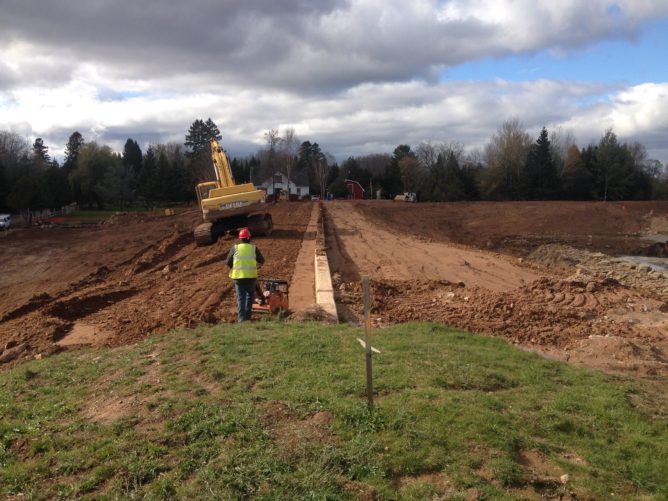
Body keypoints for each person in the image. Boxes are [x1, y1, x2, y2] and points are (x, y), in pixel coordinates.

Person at [226, 227, 265, 322]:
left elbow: (228, 262)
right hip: (251, 277)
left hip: (238, 278)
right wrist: (257, 266)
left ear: (240, 238)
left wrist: (233, 266)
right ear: (249, 238)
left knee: (241, 298)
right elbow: (262, 260)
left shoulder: (235, 248)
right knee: (250, 296)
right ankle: (248, 316)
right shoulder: (253, 248)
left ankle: (241, 319)